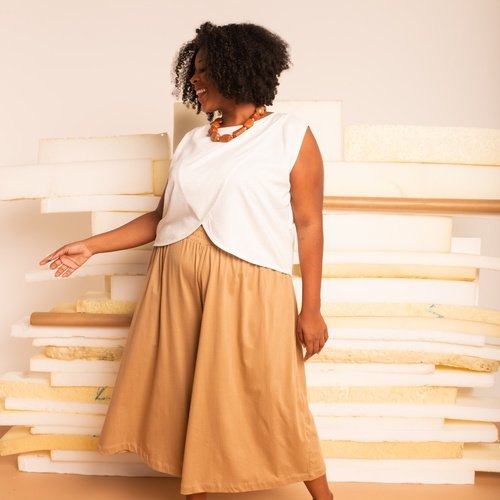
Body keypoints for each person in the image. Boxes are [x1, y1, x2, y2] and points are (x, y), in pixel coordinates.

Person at [40, 21, 333, 500]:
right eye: (193, 70)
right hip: (174, 285)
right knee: (180, 393)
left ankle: (323, 495)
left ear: (238, 69)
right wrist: (91, 245)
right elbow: (162, 217)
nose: (195, 79)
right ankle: (197, 490)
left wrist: (312, 308)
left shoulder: (290, 133)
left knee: (273, 391)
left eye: (205, 70)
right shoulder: (194, 142)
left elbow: (308, 224)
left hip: (249, 284)